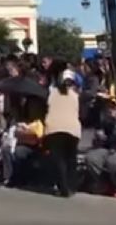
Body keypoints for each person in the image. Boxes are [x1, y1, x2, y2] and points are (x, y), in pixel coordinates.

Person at [44, 69, 82, 198]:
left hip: (54, 128)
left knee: (59, 159)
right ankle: (71, 186)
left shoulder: (52, 93)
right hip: (72, 129)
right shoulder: (75, 95)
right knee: (71, 158)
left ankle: (63, 186)